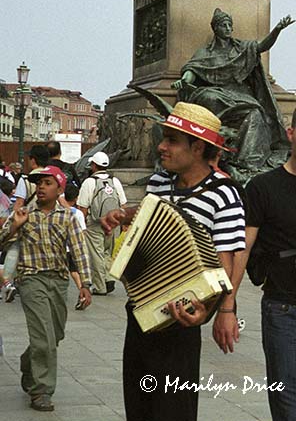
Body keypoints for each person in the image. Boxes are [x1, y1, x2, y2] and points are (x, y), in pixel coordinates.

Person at [100, 102, 246, 421]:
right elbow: (148, 222)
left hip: (182, 319)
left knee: (173, 411)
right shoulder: (159, 183)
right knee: (138, 408)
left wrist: (218, 309)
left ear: (197, 148)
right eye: (164, 138)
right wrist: (122, 215)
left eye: (171, 140)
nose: (161, 146)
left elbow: (227, 260)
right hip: (139, 313)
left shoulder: (225, 194)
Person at [0, 165, 92, 412]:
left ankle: (28, 362)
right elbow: (1, 240)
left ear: (59, 188)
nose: (41, 186)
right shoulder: (23, 213)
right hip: (31, 279)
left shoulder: (68, 216)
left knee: (56, 334)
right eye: (38, 182)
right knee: (43, 337)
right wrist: (15, 226)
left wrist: (85, 284)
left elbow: (80, 250)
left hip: (59, 281)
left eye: (47, 182)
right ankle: (41, 391)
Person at [172, 8, 294, 177]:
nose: (229, 28)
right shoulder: (206, 53)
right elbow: (193, 69)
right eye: (224, 25)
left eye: (230, 25)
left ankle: (247, 161)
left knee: (255, 112)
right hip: (214, 92)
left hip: (240, 95)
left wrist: (277, 30)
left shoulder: (241, 48)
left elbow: (261, 46)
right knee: (209, 97)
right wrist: (184, 80)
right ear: (216, 28)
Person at [244, 109, 296, 421]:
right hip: (283, 309)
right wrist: (227, 305)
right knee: (287, 402)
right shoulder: (262, 187)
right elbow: (243, 248)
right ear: (290, 134)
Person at [77, 151, 127, 295]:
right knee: (107, 253)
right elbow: (123, 204)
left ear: (94, 165)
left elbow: (82, 207)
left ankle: (100, 286)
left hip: (95, 224)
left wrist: (82, 227)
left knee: (96, 254)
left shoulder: (89, 182)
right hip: (114, 223)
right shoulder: (115, 181)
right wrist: (122, 224)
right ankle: (108, 279)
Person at [13, 145, 50, 210]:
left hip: (30, 217)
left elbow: (19, 203)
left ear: (33, 160)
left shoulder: (25, 180)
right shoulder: (53, 179)